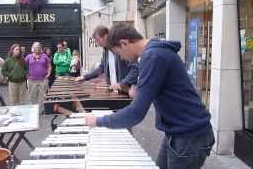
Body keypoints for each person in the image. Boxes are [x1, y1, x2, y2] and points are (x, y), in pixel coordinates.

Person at [85, 23, 215, 169]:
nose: (123, 59)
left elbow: (136, 113)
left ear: (124, 43)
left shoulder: (154, 56)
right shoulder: (153, 53)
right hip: (176, 132)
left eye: (119, 54)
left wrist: (98, 121)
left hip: (190, 136)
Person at [75, 25, 139, 93]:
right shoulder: (106, 51)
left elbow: (135, 69)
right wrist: (85, 77)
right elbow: (102, 68)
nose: (97, 44)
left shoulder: (120, 49)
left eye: (98, 40)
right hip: (115, 91)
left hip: (127, 91)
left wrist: (123, 83)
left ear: (105, 36)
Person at [25, 42, 51, 111]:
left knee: (43, 96)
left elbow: (49, 66)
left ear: (41, 48)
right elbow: (24, 66)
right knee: (32, 96)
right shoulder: (28, 56)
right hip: (32, 80)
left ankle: (40, 111)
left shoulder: (44, 56)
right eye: (36, 47)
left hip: (43, 80)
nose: (38, 48)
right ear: (33, 48)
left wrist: (48, 73)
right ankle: (34, 110)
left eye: (39, 46)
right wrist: (26, 74)